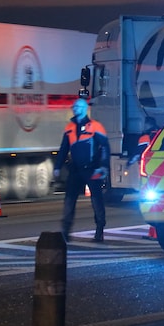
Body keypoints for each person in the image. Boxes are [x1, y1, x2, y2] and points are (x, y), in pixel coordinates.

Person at [53, 98, 110, 242]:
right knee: (69, 200)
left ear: (84, 109)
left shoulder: (96, 126)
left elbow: (105, 148)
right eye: (74, 106)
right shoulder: (70, 127)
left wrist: (103, 166)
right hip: (76, 170)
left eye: (77, 106)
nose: (74, 108)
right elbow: (63, 149)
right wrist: (58, 166)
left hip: (92, 169)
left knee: (96, 200)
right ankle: (66, 231)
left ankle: (99, 230)